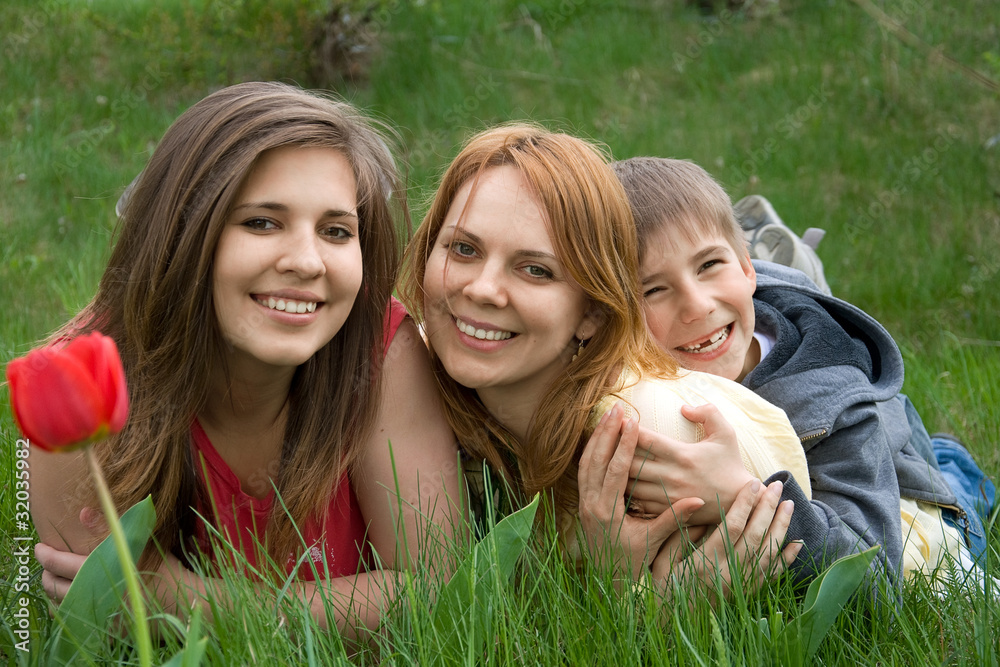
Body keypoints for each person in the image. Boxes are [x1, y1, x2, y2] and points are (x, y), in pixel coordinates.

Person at [28, 81, 464, 638]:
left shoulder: (381, 349)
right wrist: (348, 610)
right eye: (261, 222)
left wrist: (198, 606)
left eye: (336, 231)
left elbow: (442, 590)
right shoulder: (76, 385)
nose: (307, 262)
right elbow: (100, 619)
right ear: (182, 232)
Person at [397, 124, 804, 593]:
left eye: (535, 269)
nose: (482, 289)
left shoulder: (656, 438)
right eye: (464, 249)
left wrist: (650, 609)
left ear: (591, 311)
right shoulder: (415, 367)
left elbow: (832, 605)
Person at [611, 156, 995, 585]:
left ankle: (956, 463)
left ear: (745, 266)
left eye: (709, 265)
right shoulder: (624, 380)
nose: (697, 305)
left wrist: (742, 496)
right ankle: (799, 274)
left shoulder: (826, 391)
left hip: (899, 493)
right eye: (653, 289)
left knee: (951, 514)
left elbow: (877, 580)